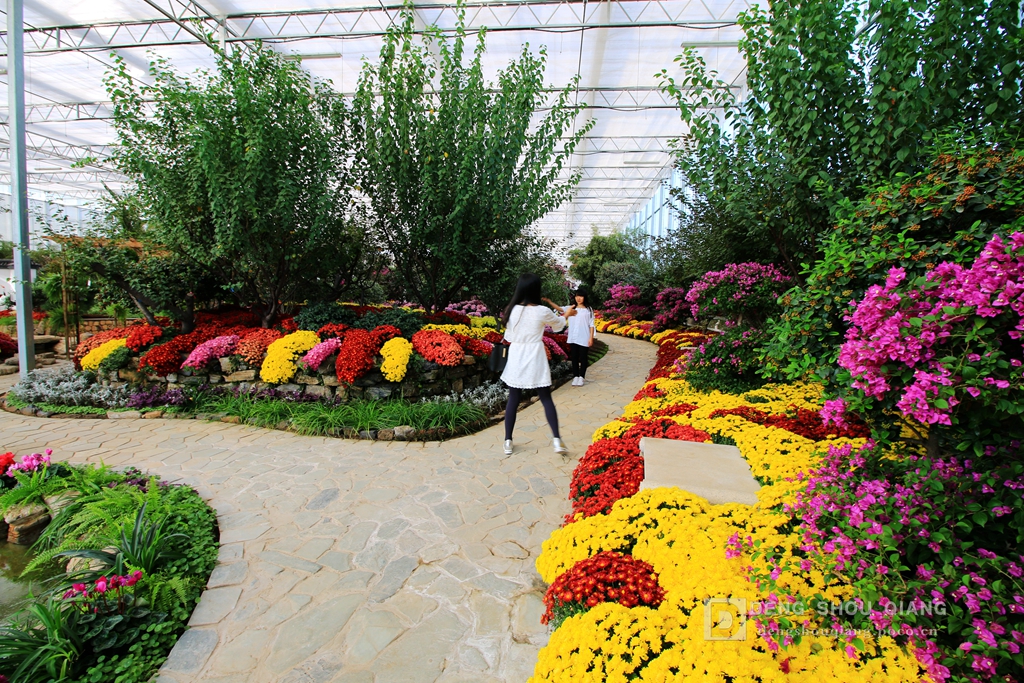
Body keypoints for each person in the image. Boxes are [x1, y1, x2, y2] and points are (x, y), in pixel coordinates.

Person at [501, 274, 575, 456]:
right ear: (536, 290)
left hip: (517, 355)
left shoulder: (511, 310)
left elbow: (508, 337)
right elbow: (558, 326)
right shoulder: (542, 311)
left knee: (513, 398)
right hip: (535, 355)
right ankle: (557, 440)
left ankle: (508, 441)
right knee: (546, 398)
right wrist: (567, 314)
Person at [545, 289, 594, 386]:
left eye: (580, 296)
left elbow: (591, 325)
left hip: (584, 336)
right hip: (573, 337)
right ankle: (576, 376)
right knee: (574, 357)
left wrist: (591, 338)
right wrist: (549, 302)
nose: (578, 298)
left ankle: (581, 377)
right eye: (576, 296)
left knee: (583, 358)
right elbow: (559, 308)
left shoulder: (589, 310)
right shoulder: (570, 308)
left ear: (584, 297)